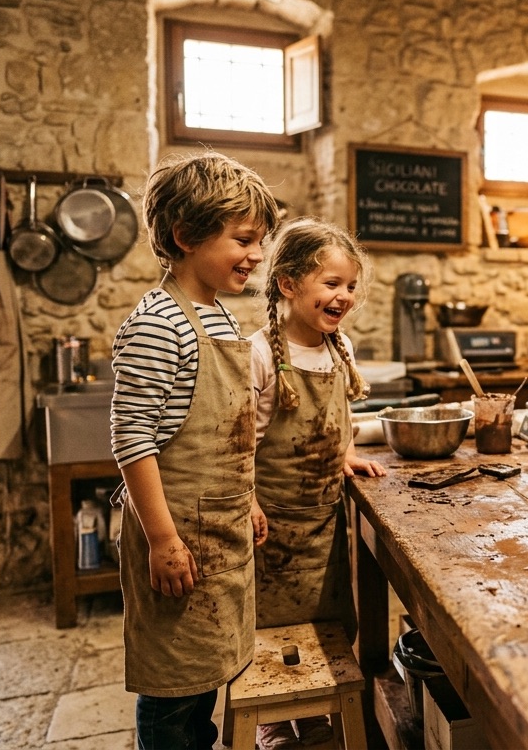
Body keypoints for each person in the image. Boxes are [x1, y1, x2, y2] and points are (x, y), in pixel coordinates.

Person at [111, 151, 280, 750]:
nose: (257, 255)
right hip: (178, 532)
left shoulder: (220, 318)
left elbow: (232, 433)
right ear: (186, 236)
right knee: (173, 695)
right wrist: (161, 539)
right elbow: (132, 439)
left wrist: (248, 497)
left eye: (261, 241)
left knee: (204, 677)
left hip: (218, 530)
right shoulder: (159, 322)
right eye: (243, 240)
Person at [250, 216, 386, 750]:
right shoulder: (262, 354)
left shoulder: (339, 346)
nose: (344, 296)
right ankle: (274, 720)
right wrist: (251, 503)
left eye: (350, 285)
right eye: (331, 284)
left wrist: (347, 453)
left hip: (323, 522)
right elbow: (243, 443)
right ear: (287, 283)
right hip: (270, 530)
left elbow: (339, 417)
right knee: (271, 633)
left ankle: (317, 711)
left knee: (328, 622)